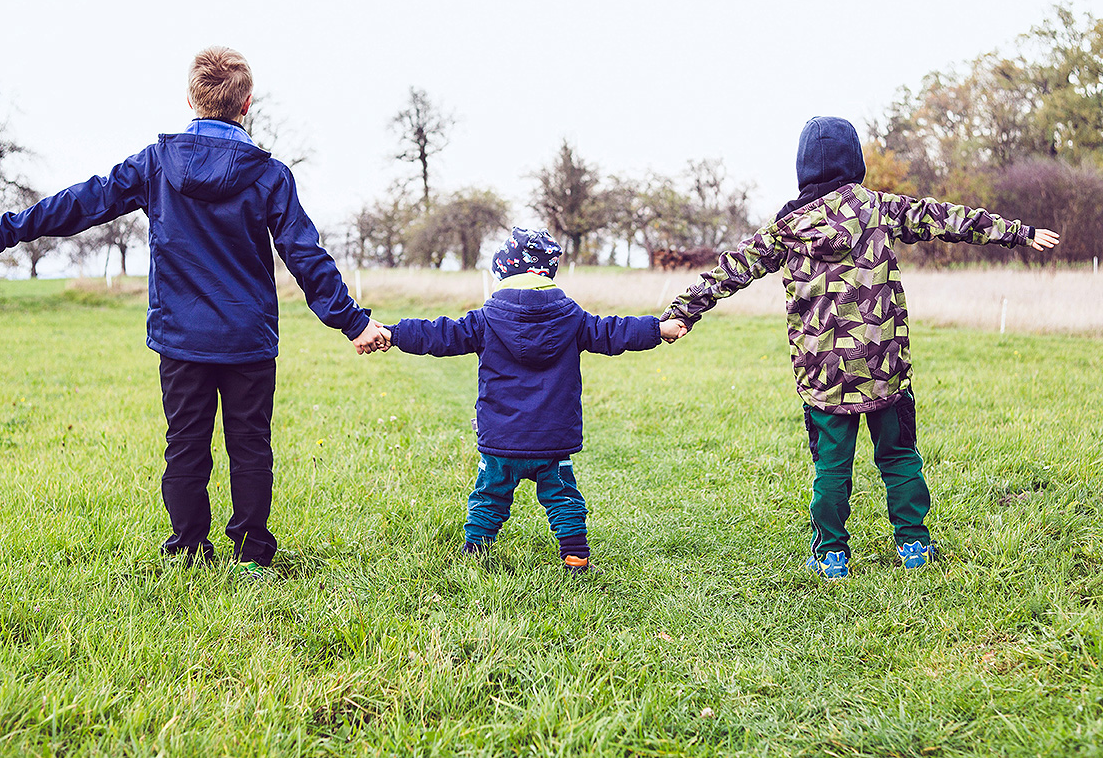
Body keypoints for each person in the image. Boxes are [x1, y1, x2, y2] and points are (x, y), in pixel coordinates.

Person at [0, 46, 386, 582]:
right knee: (250, 445)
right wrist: (353, 321)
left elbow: (82, 202)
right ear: (247, 104)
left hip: (182, 340)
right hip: (248, 339)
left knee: (185, 446)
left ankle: (186, 550)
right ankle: (253, 554)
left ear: (189, 99)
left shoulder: (157, 164)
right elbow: (305, 254)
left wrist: (3, 232)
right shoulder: (270, 175)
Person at [660, 116, 1059, 579]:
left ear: (803, 169)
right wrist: (1019, 233)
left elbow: (731, 268)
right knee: (899, 457)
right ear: (856, 162)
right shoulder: (879, 209)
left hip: (824, 377)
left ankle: (831, 555)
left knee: (831, 468)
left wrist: (682, 312)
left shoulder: (785, 229)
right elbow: (945, 218)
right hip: (884, 366)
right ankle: (913, 545)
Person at [379, 227, 685, 574]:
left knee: (489, 496)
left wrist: (393, 332)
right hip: (552, 439)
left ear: (504, 271)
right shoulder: (573, 318)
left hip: (501, 439)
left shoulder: (485, 319)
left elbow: (438, 334)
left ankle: (474, 553)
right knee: (563, 499)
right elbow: (614, 331)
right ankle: (575, 559)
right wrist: (658, 329)